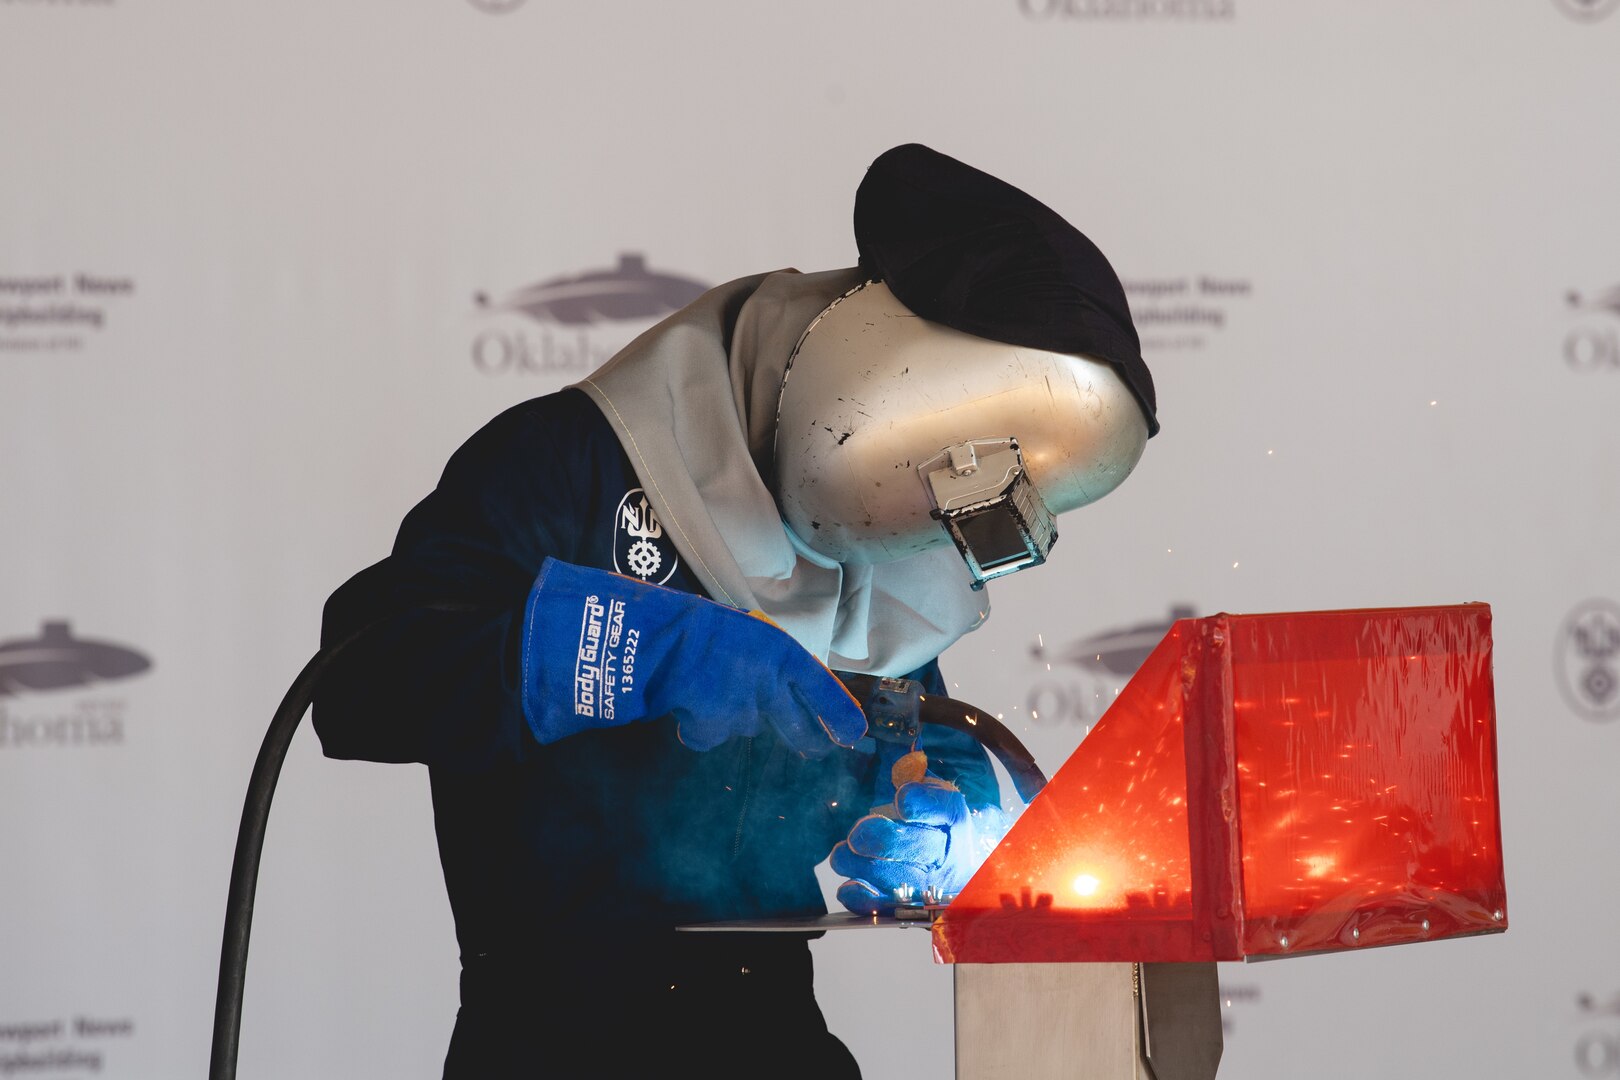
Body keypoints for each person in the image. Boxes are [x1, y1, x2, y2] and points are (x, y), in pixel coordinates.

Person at [311, 143, 1158, 1079]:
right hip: (551, 1039)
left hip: (771, 1035)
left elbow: (904, 733)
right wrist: (635, 649)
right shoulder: (567, 463)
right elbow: (361, 676)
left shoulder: (873, 543)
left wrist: (934, 803)